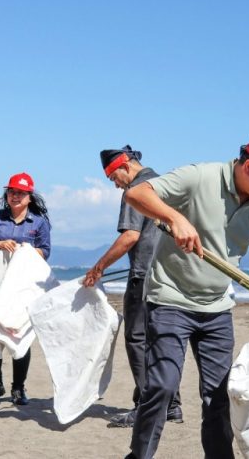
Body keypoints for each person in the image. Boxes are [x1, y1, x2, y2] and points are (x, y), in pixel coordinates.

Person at [122, 127, 249, 459]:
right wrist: (175, 217)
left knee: (218, 396)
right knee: (162, 386)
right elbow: (136, 194)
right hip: (170, 298)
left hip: (217, 307)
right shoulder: (200, 177)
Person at [83, 145, 182, 428]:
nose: (115, 185)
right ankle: (171, 405)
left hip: (144, 276)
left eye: (114, 178)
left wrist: (98, 268)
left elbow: (130, 236)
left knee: (137, 339)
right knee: (161, 341)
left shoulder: (136, 190)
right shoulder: (164, 183)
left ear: (124, 166)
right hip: (170, 277)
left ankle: (146, 407)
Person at [0, 172, 51, 406]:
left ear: (29, 196)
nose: (15, 196)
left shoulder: (39, 222)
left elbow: (45, 252)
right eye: (11, 192)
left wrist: (24, 250)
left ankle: (18, 387)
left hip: (23, 287)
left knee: (20, 335)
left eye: (20, 192)